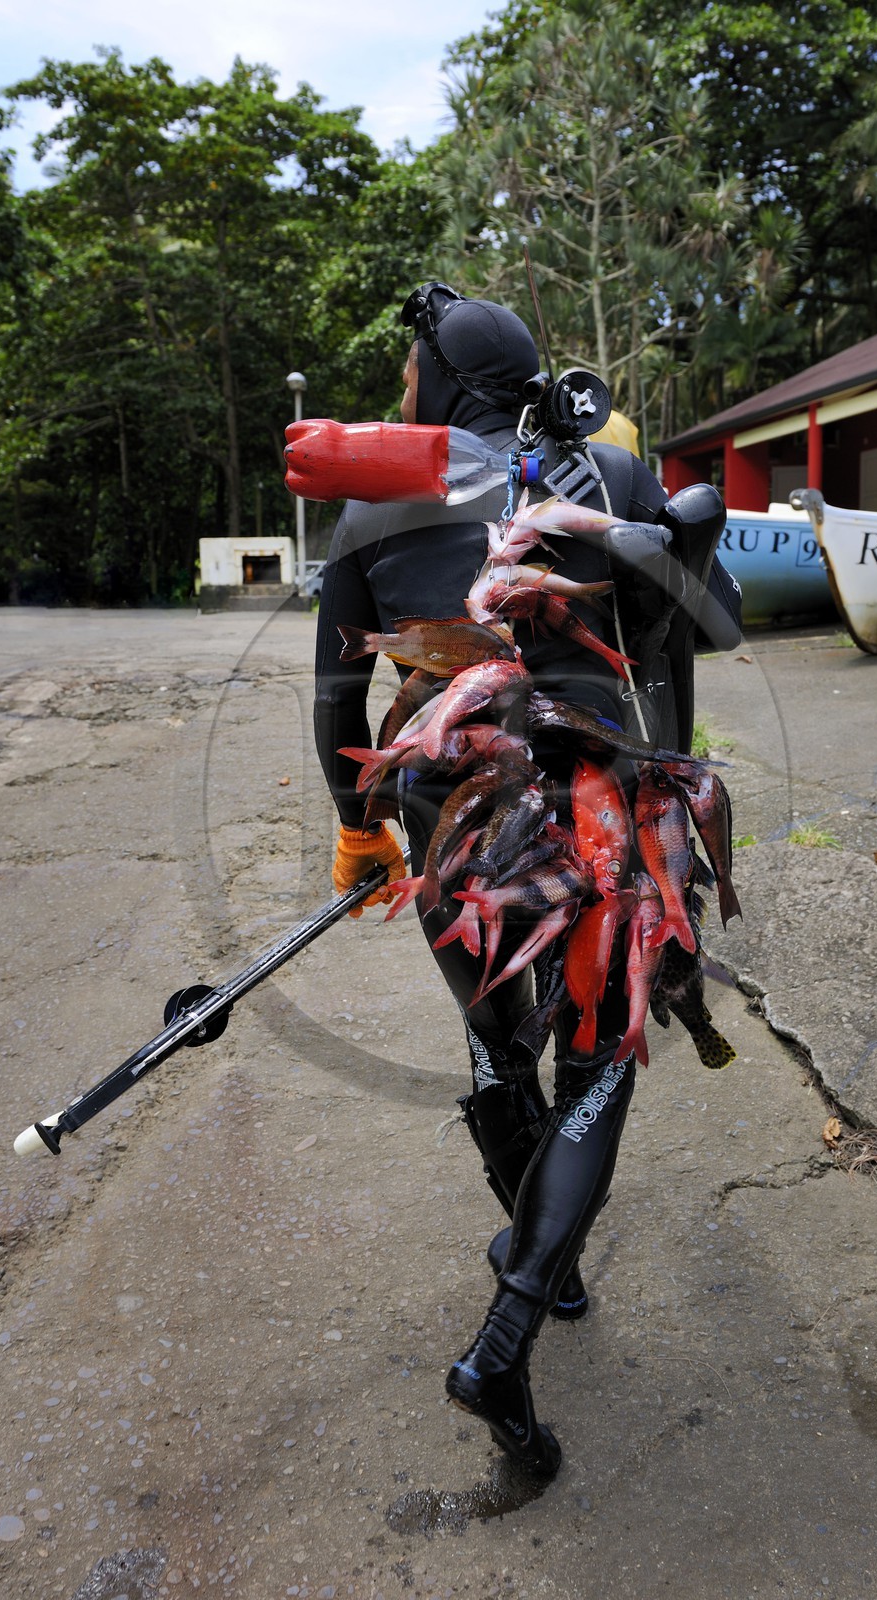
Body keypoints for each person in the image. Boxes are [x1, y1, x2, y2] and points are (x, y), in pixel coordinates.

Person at [312, 282, 740, 1478]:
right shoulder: (611, 474)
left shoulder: (374, 500)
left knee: (500, 1045)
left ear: (444, 382)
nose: (403, 389)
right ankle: (516, 1316)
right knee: (594, 1064)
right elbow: (711, 623)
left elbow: (336, 699)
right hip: (598, 811)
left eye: (412, 370)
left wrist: (357, 831)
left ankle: (547, 1273)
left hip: (450, 819)